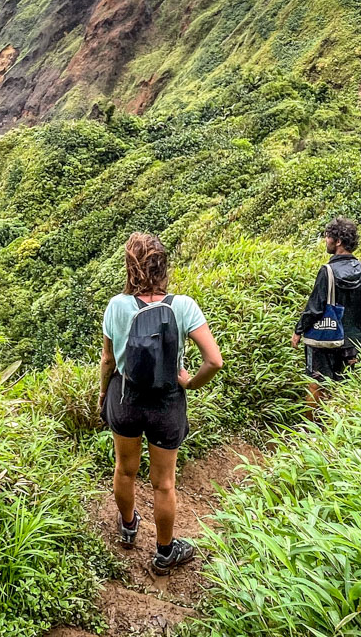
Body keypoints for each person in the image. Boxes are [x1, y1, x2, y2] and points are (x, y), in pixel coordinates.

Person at [98, 232, 223, 576]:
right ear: (163, 268)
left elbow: (108, 361)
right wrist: (190, 382)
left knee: (125, 469)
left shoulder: (116, 307)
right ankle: (165, 552)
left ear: (130, 268)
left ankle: (127, 528)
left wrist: (102, 396)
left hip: (125, 398)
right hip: (166, 403)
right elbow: (214, 360)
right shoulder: (183, 306)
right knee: (164, 484)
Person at [291, 217, 361, 412]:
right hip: (353, 340)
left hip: (325, 339)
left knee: (316, 382)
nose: (325, 240)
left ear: (338, 241)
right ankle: (337, 429)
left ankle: (311, 433)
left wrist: (298, 331)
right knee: (347, 384)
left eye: (327, 236)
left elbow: (314, 308)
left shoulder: (327, 271)